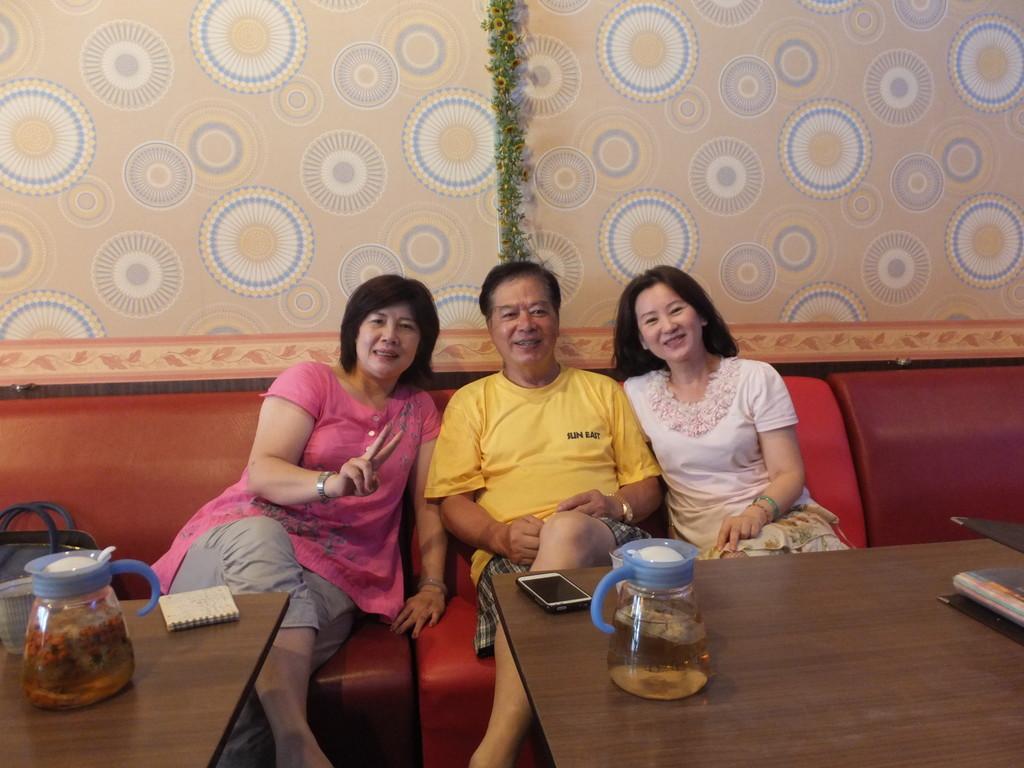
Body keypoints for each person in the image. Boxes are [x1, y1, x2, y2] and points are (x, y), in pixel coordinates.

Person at [152, 275, 448, 768]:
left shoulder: (419, 411)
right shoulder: (311, 380)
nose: (390, 335)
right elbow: (264, 473)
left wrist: (433, 584)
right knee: (262, 536)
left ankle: (287, 740)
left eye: (407, 326)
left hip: (336, 576)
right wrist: (332, 483)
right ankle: (297, 743)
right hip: (233, 547)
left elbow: (428, 505)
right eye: (377, 320)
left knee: (247, 673)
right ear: (354, 330)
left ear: (422, 342)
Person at [425, 261, 662, 768]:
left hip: (607, 541)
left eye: (538, 310)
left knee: (569, 529)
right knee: (561, 568)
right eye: (509, 313)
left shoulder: (602, 392)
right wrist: (499, 535)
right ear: (491, 326)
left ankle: (497, 748)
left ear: (556, 319)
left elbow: (646, 485)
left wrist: (614, 504)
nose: (525, 324)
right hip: (511, 559)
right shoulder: (471, 403)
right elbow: (452, 502)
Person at [613, 265, 848, 557]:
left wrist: (755, 514)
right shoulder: (635, 393)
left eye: (676, 310)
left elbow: (788, 473)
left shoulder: (757, 377)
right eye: (651, 320)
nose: (668, 326)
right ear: (641, 339)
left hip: (775, 520)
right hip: (707, 542)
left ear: (701, 315)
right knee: (735, 565)